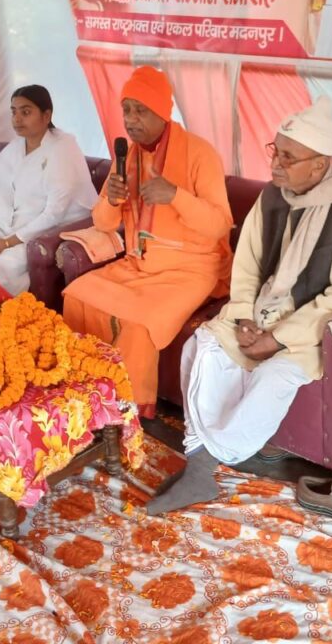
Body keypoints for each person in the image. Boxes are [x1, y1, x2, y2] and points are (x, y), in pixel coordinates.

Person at [146, 96, 332, 515]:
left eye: (288, 157)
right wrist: (242, 317)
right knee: (203, 347)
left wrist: (278, 338)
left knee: (274, 377)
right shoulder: (273, 196)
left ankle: (203, 465)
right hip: (256, 315)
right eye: (275, 151)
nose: (275, 164)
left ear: (320, 164)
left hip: (309, 331)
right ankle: (200, 467)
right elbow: (248, 263)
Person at [63, 66, 233, 417]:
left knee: (140, 324)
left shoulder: (200, 153)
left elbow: (220, 225)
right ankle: (84, 389)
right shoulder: (128, 157)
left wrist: (175, 196)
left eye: (140, 110)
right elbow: (103, 223)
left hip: (190, 269)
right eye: (126, 110)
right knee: (77, 295)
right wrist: (112, 199)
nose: (130, 119)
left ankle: (125, 412)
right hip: (138, 264)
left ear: (161, 111)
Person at [0, 85, 96, 293]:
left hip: (48, 231)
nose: (17, 119)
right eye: (14, 112)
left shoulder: (63, 148)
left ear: (46, 116)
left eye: (26, 112)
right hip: (10, 228)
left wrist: (7, 243)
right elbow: (0, 201)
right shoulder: (13, 150)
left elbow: (54, 214)